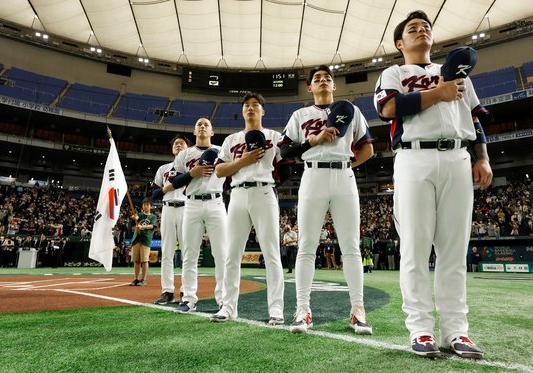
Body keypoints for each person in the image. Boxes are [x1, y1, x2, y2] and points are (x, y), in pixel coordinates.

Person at [373, 10, 493, 358]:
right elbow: (388, 108)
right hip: (414, 157)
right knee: (415, 247)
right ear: (400, 43)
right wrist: (437, 94)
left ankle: (456, 331)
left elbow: (475, 118)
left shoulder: (457, 75)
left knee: (453, 251)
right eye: (412, 28)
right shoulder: (394, 72)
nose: (421, 30)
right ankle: (421, 329)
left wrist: (482, 157)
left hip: (457, 157)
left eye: (426, 27)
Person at [278, 65, 374, 335]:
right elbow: (285, 150)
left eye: (327, 78)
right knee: (307, 246)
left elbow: (367, 148)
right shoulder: (300, 115)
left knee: (351, 247)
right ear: (309, 87)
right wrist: (314, 140)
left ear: (334, 86)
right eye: (317, 79)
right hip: (313, 176)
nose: (322, 81)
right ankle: (303, 310)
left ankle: (358, 310)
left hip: (343, 175)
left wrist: (346, 167)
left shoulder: (351, 111)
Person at [211, 92, 293, 325]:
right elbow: (219, 171)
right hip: (237, 193)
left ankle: (276, 310)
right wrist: (242, 161)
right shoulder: (231, 140)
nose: (250, 108)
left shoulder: (274, 136)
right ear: (242, 111)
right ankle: (228, 307)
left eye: (255, 105)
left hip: (264, 191)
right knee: (232, 254)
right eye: (246, 105)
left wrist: (272, 182)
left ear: (262, 111)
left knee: (271, 253)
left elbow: (287, 165)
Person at [170, 117, 228, 314]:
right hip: (192, 203)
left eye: (206, 125)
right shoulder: (185, 154)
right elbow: (174, 181)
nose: (202, 127)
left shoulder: (222, 150)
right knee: (189, 254)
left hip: (216, 201)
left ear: (212, 132)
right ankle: (188, 298)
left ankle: (223, 299)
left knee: (221, 254)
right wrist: (192, 173)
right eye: (199, 125)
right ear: (194, 131)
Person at [152, 134, 190, 305]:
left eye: (182, 143)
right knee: (167, 252)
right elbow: (153, 194)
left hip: (187, 208)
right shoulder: (163, 169)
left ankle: (186, 290)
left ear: (188, 148)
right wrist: (169, 187)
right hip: (167, 208)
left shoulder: (192, 166)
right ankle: (167, 291)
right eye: (176, 143)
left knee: (188, 253)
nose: (178, 145)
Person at [129, 198, 157, 286]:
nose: (145, 206)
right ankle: (136, 279)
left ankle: (144, 279)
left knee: (144, 260)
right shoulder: (140, 215)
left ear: (151, 207)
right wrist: (134, 217)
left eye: (147, 205)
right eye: (144, 205)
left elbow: (152, 226)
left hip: (146, 239)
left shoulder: (153, 216)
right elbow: (136, 217)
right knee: (136, 260)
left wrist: (142, 227)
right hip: (136, 239)